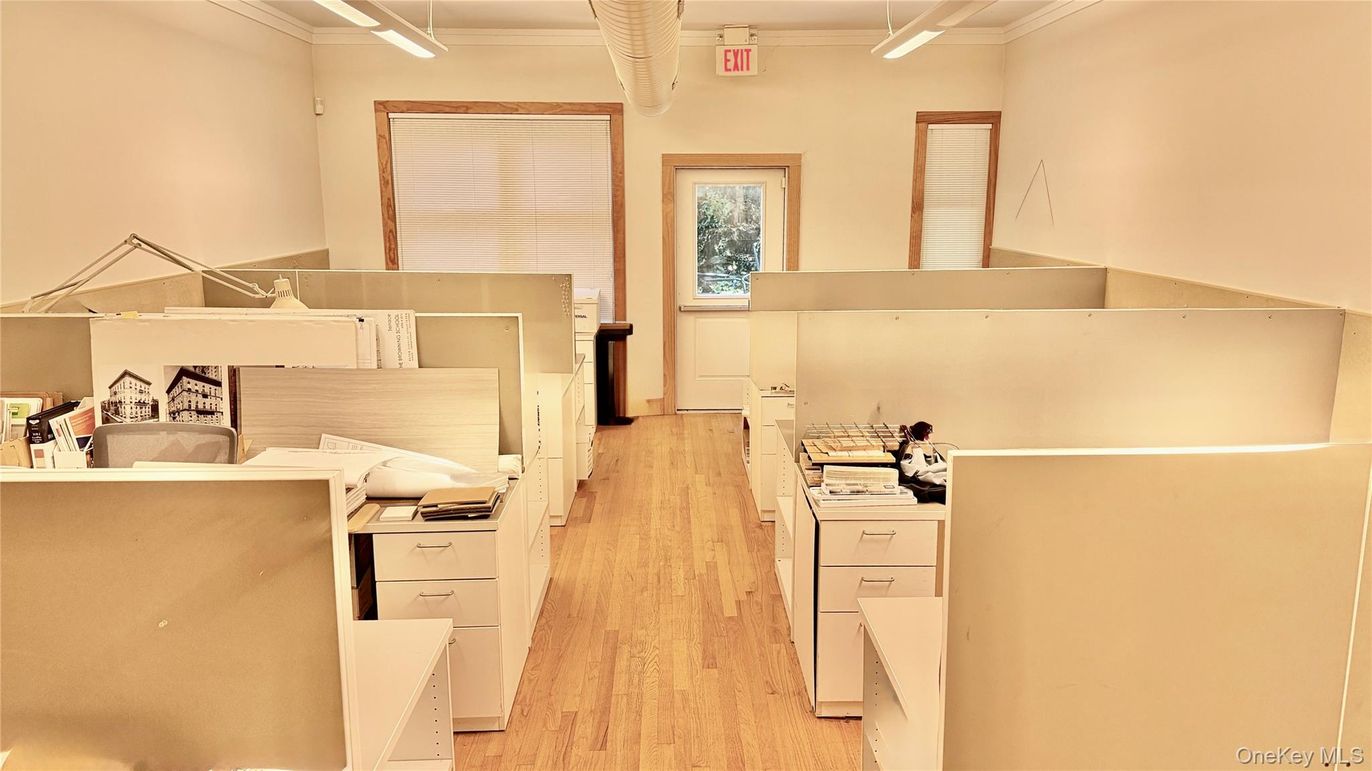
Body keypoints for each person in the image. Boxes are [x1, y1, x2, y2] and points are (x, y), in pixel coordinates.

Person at [898, 421, 947, 487]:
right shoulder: (912, 446)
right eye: (927, 435)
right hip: (920, 472)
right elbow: (905, 465)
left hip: (933, 469)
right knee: (936, 476)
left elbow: (938, 461)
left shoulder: (929, 445)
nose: (928, 438)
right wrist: (917, 471)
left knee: (947, 470)